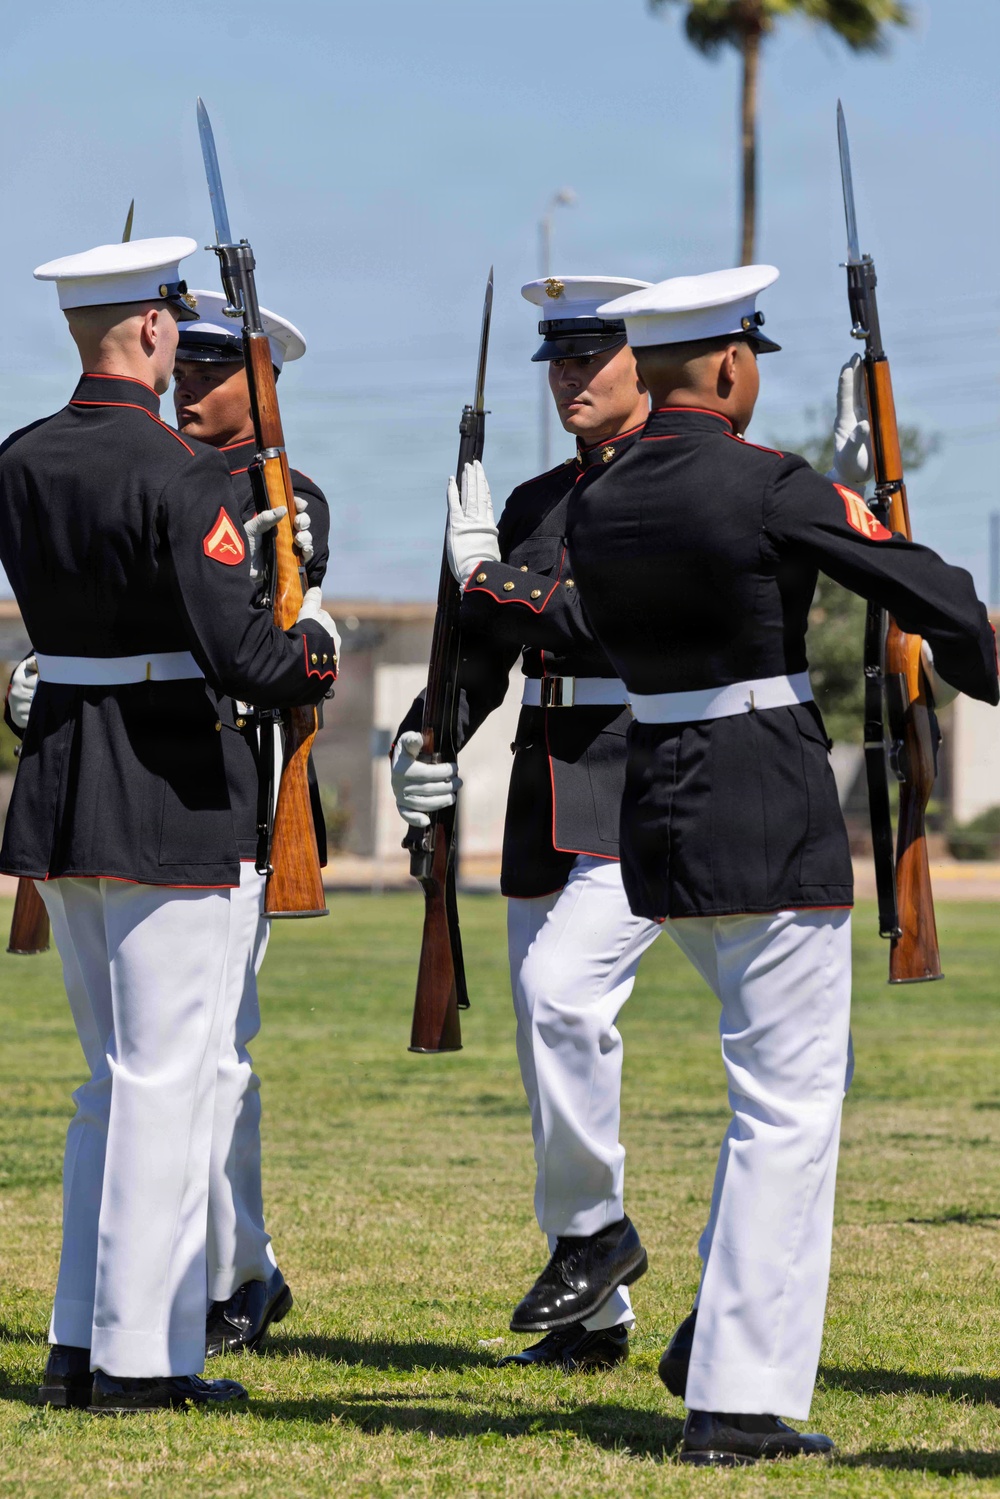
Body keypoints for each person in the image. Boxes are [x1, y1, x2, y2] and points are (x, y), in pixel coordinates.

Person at [390, 273, 874, 1373]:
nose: (568, 376)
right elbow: (476, 662)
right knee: (545, 1033)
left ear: (646, 365)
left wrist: (493, 577)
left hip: (650, 778)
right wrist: (421, 741)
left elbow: (598, 618)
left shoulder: (678, 491)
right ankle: (594, 1307)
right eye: (555, 360)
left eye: (589, 357)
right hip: (546, 791)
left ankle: (603, 1239)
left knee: (568, 999)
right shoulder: (528, 500)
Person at [560, 265, 998, 1463]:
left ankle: (719, 1349)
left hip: (658, 806)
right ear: (733, 366)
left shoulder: (597, 502)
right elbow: (920, 586)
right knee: (787, 1108)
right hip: (762, 803)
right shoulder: (766, 484)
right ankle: (738, 1395)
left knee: (767, 1096)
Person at [0, 237, 339, 1413]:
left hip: (63, 787)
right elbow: (242, 652)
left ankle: (76, 1340)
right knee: (166, 1079)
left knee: (107, 1082)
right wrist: (312, 657)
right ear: (152, 330)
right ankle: (144, 1358)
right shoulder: (181, 472)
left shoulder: (22, 457)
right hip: (168, 788)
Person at [173, 291, 330, 1356]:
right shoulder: (152, 471)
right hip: (140, 779)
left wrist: (295, 568)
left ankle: (237, 1271)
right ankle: (228, 1265)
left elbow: (284, 639)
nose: (185, 382)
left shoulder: (284, 494)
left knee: (217, 1045)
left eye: (210, 368)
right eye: (177, 362)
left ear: (261, 383)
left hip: (233, 783)